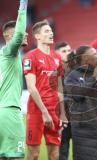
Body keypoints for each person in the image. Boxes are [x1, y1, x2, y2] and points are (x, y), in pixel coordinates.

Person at [23, 20, 68, 160]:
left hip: (54, 111)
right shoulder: (30, 56)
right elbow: (31, 88)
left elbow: (60, 86)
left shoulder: (57, 57)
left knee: (54, 155)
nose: (51, 33)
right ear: (37, 36)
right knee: (34, 154)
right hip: (37, 112)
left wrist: (63, 113)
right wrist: (44, 112)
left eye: (51, 30)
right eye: (47, 31)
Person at [64, 46, 97, 160]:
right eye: (94, 54)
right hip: (84, 130)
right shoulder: (72, 75)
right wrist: (94, 77)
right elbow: (77, 95)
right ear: (85, 58)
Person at [0, 0, 28, 159]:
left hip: (2, 111)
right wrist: (23, 5)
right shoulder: (9, 52)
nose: (26, 34)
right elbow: (18, 34)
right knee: (15, 157)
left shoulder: (4, 57)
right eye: (24, 32)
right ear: (10, 36)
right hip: (10, 112)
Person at [54, 42, 72, 160]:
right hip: (62, 115)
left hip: (77, 115)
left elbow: (87, 52)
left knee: (80, 148)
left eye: (69, 51)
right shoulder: (54, 71)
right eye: (64, 51)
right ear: (57, 55)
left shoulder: (76, 68)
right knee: (63, 148)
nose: (68, 53)